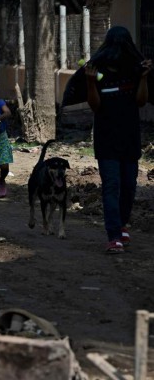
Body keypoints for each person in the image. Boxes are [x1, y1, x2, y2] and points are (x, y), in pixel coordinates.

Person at [84, 26, 152, 254]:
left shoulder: (135, 71)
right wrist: (91, 82)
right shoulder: (97, 70)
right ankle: (114, 236)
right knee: (111, 186)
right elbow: (95, 105)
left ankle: (122, 226)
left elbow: (141, 101)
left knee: (129, 186)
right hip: (106, 139)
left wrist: (143, 78)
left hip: (130, 138)